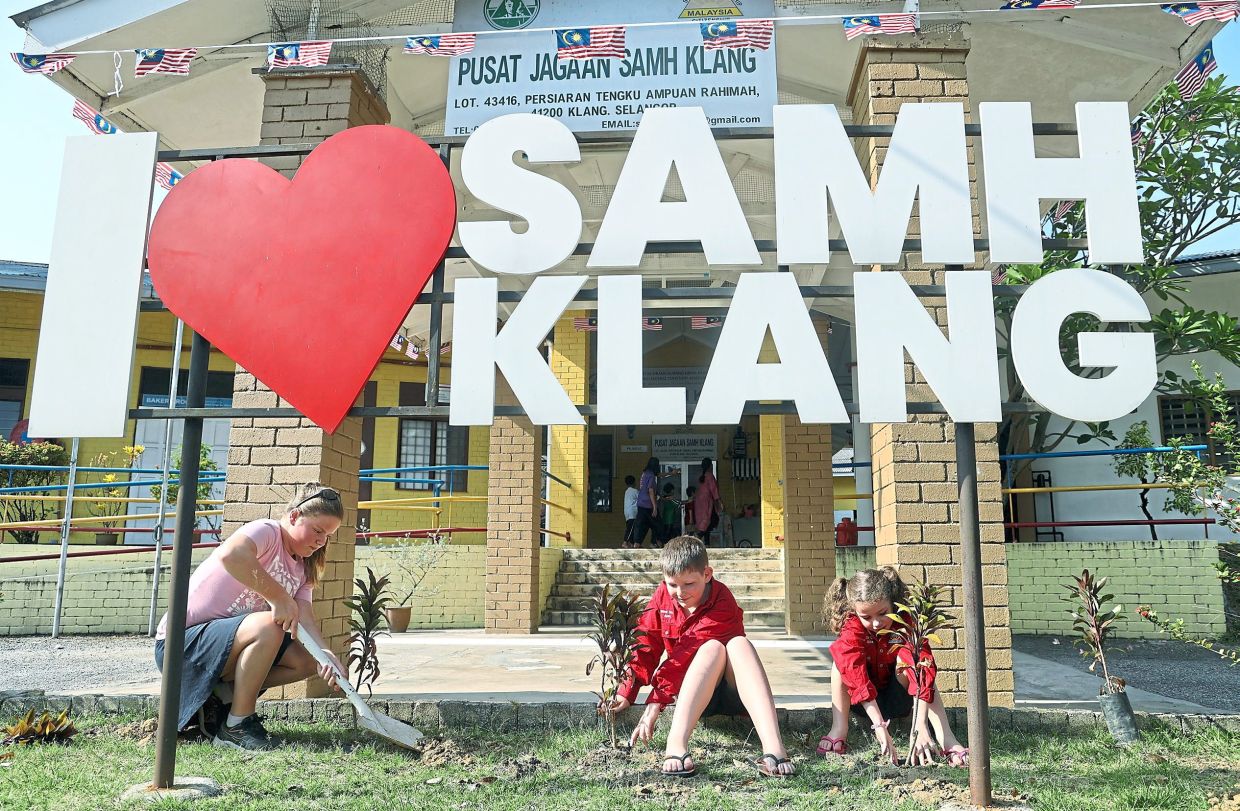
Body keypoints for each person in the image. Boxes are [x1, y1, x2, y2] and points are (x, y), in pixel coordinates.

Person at [154, 483, 346, 751]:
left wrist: (325, 654)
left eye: (327, 536)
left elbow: (305, 618)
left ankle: (220, 699)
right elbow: (231, 555)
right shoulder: (267, 531)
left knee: (305, 661)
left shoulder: (303, 569)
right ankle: (236, 726)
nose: (321, 541)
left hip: (222, 650)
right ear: (293, 517)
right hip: (180, 646)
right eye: (317, 530)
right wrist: (279, 598)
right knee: (270, 625)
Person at [606, 536, 795, 778]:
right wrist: (626, 690)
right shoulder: (663, 596)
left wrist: (656, 699)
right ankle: (676, 745)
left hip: (732, 693)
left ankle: (774, 748)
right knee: (712, 649)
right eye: (672, 585)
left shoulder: (723, 601)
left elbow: (687, 653)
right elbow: (646, 644)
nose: (680, 593)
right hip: (694, 696)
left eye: (689, 584)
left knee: (732, 645)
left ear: (707, 574)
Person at [818, 567, 968, 767]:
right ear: (854, 611)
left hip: (900, 698)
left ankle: (947, 739)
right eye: (867, 617)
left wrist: (920, 724)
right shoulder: (851, 626)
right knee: (841, 665)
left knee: (918, 663)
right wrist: (879, 725)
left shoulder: (905, 622)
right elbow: (854, 673)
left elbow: (921, 671)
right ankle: (839, 729)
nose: (876, 623)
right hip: (865, 704)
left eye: (882, 613)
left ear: (893, 603)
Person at [630, 457, 661, 549]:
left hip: (641, 503)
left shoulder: (644, 474)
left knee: (642, 524)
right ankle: (654, 542)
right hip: (648, 504)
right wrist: (654, 507)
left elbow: (659, 475)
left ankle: (637, 543)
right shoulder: (651, 475)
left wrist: (670, 473)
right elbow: (650, 490)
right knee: (658, 524)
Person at [692, 458, 723, 545]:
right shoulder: (710, 476)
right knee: (711, 520)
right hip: (707, 501)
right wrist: (719, 502)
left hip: (700, 502)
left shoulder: (702, 477)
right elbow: (714, 490)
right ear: (710, 466)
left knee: (706, 523)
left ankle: (707, 542)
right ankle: (698, 536)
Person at [622, 475, 639, 548]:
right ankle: (625, 542)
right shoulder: (635, 491)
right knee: (630, 528)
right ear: (634, 482)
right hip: (633, 512)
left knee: (631, 527)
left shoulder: (627, 491)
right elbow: (641, 498)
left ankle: (631, 543)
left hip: (627, 513)